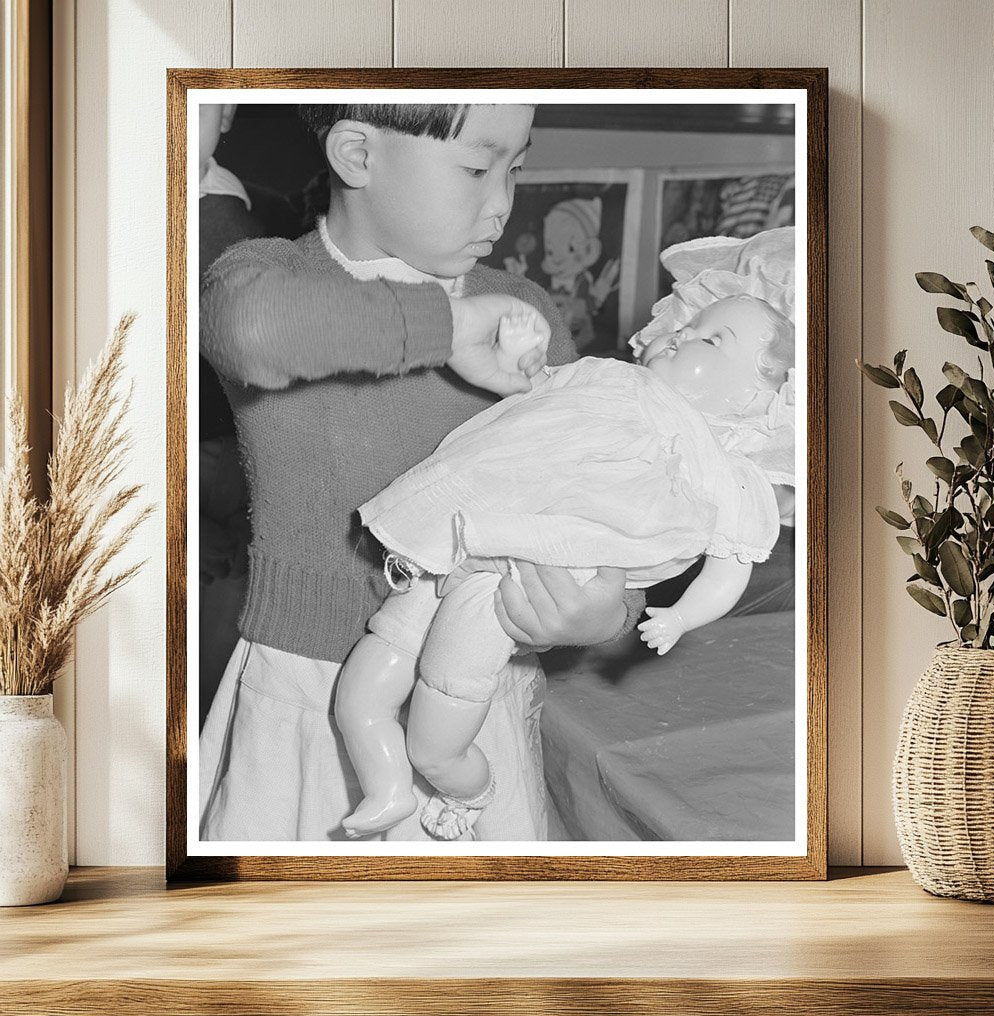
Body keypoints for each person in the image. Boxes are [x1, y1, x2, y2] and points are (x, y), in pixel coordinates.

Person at [198, 102, 639, 843]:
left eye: (516, 168)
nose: (502, 202)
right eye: (475, 168)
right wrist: (454, 326)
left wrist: (609, 613)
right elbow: (252, 331)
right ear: (358, 155)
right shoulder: (263, 274)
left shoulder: (526, 311)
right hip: (303, 697)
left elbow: (602, 513)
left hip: (473, 706)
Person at [342, 292, 797, 840]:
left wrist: (678, 616)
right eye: (691, 323)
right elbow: (528, 397)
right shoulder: (603, 376)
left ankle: (465, 788)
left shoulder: (721, 466)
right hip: (459, 535)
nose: (682, 333)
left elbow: (729, 568)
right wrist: (517, 362)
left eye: (710, 339)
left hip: (519, 581)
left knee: (437, 729)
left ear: (750, 398)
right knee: (370, 674)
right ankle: (386, 781)